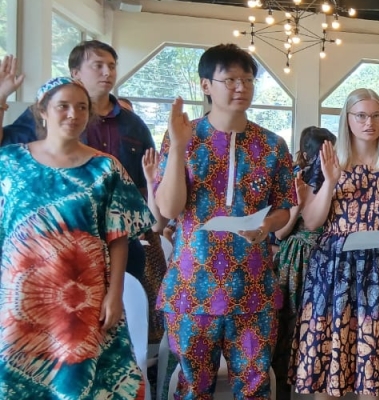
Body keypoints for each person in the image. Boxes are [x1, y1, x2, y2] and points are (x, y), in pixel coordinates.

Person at [0, 41, 167, 343]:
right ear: (44, 112)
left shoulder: (124, 139)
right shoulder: (17, 156)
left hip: (101, 265)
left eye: (112, 65)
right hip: (29, 275)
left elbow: (145, 187)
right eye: (98, 65)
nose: (72, 114)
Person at [155, 43, 296, 399]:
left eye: (247, 80)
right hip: (192, 287)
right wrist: (177, 147)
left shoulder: (273, 145)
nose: (240, 88)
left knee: (253, 388)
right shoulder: (184, 137)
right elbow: (170, 208)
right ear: (206, 85)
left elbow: (284, 207)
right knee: (192, 388)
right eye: (230, 79)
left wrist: (266, 227)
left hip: (253, 288)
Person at [0, 76, 152, 398]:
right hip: (19, 294)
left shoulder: (105, 168)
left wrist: (114, 294)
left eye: (81, 107)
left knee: (79, 382)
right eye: (63, 106)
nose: (73, 114)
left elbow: (119, 235)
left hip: (82, 297)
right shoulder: (10, 161)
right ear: (42, 112)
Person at [291, 88, 379, 400]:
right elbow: (313, 222)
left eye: (375, 115)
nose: (368, 122)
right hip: (334, 269)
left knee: (370, 366)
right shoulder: (328, 159)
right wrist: (330, 181)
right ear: (347, 118)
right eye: (361, 115)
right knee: (331, 360)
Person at [271, 126, 336, 400]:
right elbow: (280, 233)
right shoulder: (296, 178)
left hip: (329, 259)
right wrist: (297, 204)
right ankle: (287, 387)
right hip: (297, 259)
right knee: (291, 322)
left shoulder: (335, 179)